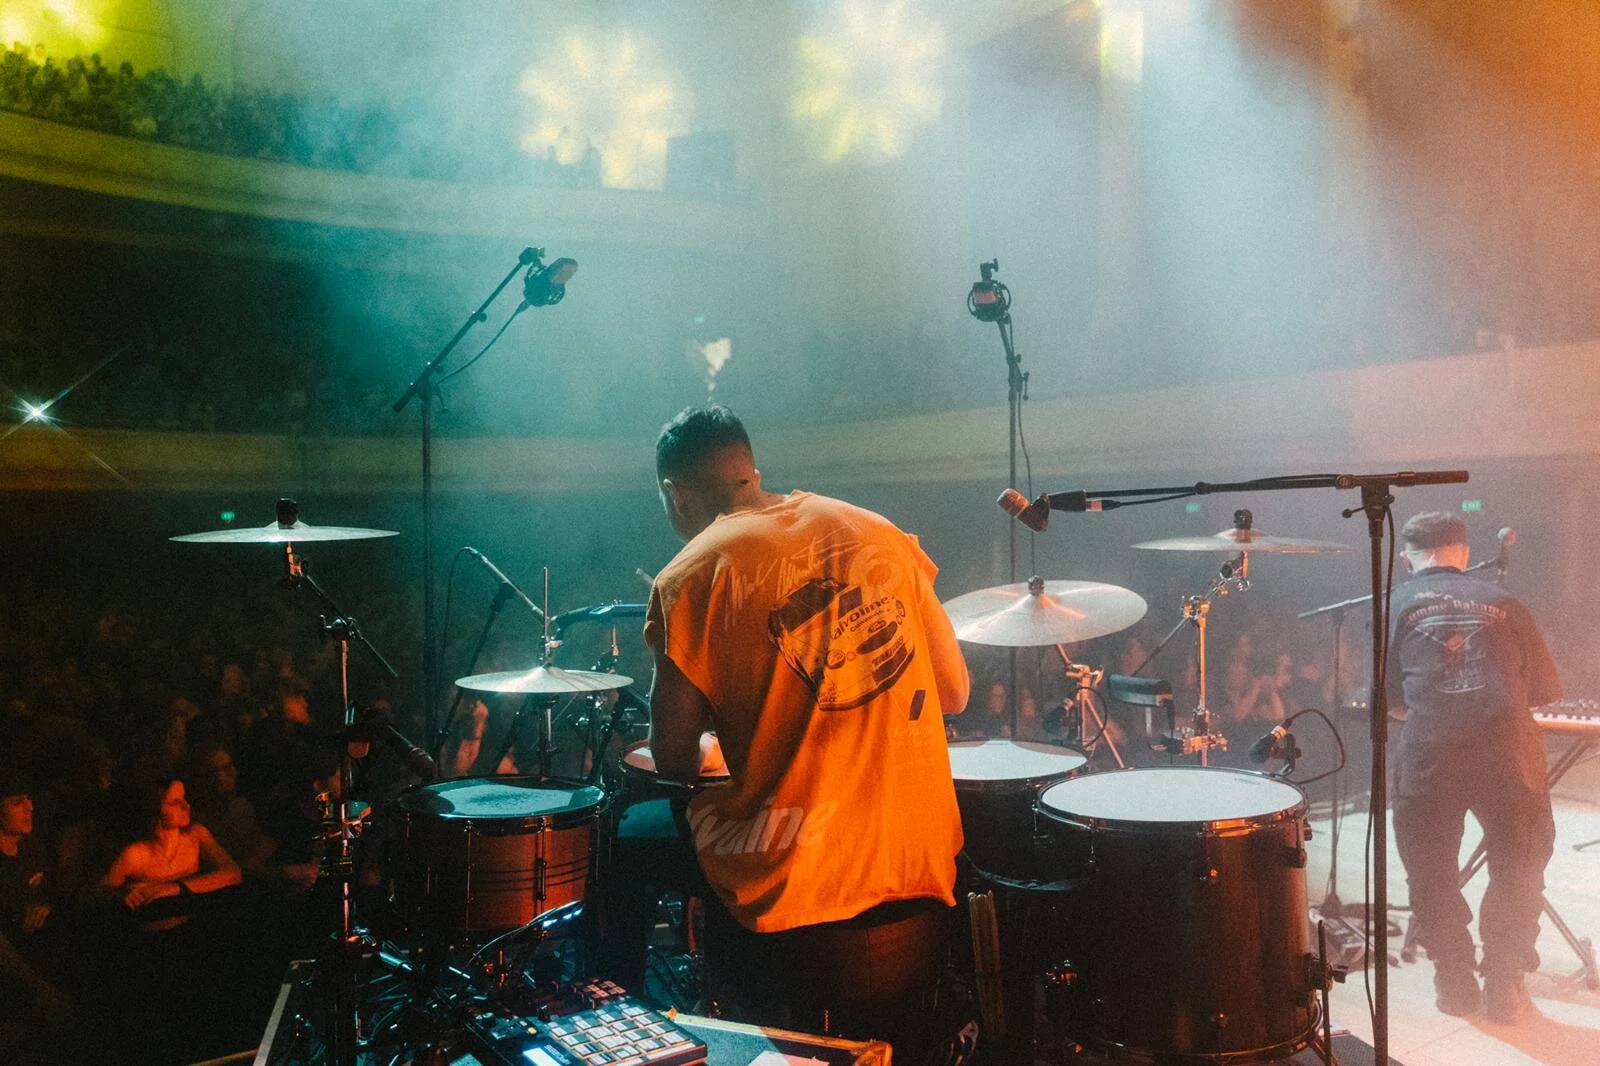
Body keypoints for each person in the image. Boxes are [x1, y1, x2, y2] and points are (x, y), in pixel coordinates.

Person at [643, 404, 970, 1048]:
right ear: (752, 471)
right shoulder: (879, 532)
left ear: (673, 494)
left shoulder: (689, 577)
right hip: (919, 863)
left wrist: (722, 739)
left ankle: (630, 1035)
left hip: (797, 885)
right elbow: (955, 692)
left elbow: (673, 759)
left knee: (628, 834)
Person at [1386, 512, 1562, 1025]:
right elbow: (1545, 691)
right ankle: (1505, 983)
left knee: (1431, 868)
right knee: (1519, 865)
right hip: (1508, 754)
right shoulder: (1508, 603)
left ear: (1406, 559)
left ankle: (1454, 981)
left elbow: (1389, 700)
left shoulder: (1393, 604)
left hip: (1431, 755)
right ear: (1463, 554)